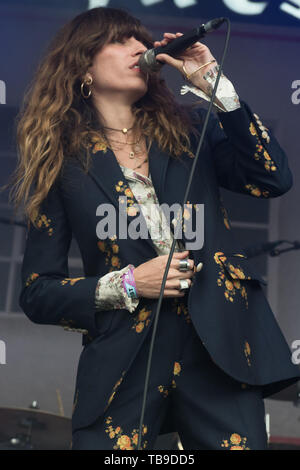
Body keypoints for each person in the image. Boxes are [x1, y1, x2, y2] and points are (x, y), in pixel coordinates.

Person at [8, 7, 300, 450]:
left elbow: (272, 177)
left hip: (216, 348)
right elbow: (37, 291)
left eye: (141, 41)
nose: (140, 48)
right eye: (121, 40)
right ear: (83, 64)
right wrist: (127, 284)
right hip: (125, 357)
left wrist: (214, 87)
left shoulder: (190, 132)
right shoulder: (64, 165)